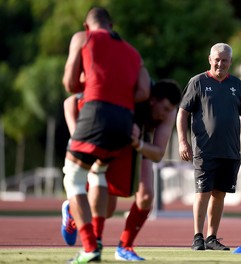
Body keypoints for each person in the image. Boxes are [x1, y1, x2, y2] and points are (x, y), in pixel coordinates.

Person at [62, 6, 150, 263]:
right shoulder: (133, 52)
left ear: (87, 25)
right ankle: (97, 239)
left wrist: (93, 88)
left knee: (73, 177)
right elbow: (144, 91)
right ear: (112, 26)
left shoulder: (83, 38)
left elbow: (69, 84)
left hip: (96, 111)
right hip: (124, 118)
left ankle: (89, 247)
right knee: (98, 171)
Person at [61, 80, 182, 261]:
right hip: (114, 140)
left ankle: (125, 247)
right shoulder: (132, 93)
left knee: (146, 195)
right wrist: (76, 136)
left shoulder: (169, 112)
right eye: (163, 108)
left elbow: (157, 154)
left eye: (169, 110)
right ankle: (73, 211)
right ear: (152, 100)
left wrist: (138, 143)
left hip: (139, 143)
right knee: (107, 209)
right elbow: (69, 103)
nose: (164, 115)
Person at [176, 43, 241, 251]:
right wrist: (182, 141)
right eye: (217, 59)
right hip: (205, 150)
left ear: (230, 62)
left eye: (224, 60)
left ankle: (211, 237)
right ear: (210, 59)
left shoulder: (237, 85)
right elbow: (182, 113)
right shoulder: (198, 82)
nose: (220, 63)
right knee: (202, 192)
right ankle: (198, 236)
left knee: (219, 194)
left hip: (230, 150)